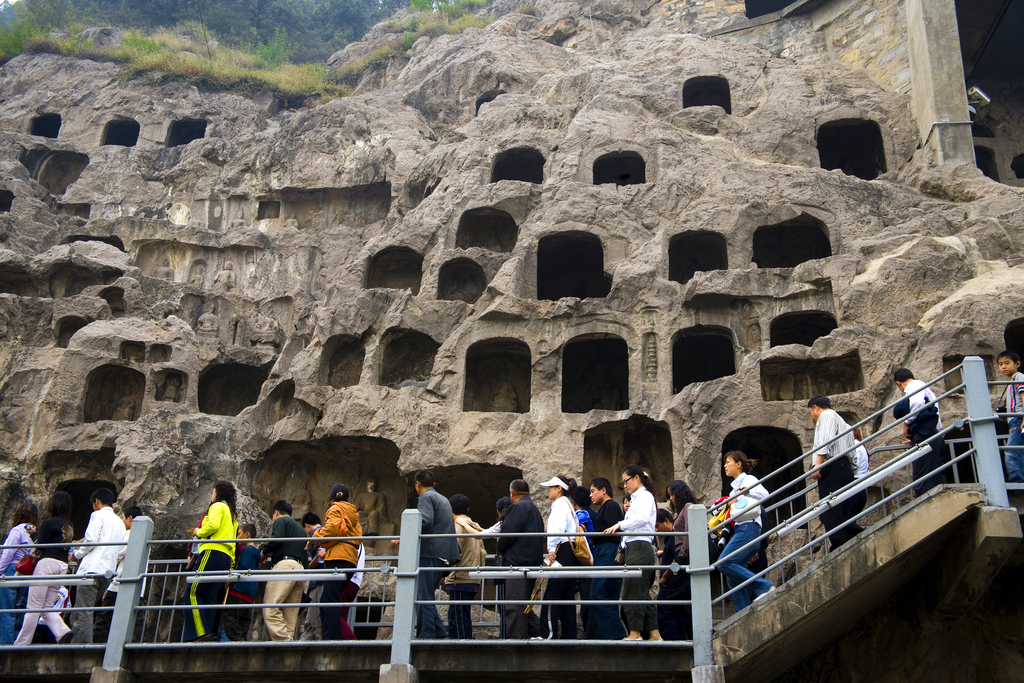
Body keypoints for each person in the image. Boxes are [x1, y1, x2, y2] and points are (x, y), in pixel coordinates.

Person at [393, 470, 459, 639]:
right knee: (424, 594)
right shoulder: (443, 499)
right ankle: (438, 631)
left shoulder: (426, 498)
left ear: (417, 484)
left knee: (423, 596)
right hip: (443, 554)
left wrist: (406, 533)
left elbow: (425, 521)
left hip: (430, 553)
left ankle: (426, 635)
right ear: (434, 484)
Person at [604, 465, 661, 641]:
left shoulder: (644, 496)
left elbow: (642, 519)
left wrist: (620, 524)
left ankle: (635, 633)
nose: (625, 485)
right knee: (641, 591)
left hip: (640, 546)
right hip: (635, 546)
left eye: (626, 481)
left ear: (637, 478)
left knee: (632, 590)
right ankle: (654, 633)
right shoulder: (638, 498)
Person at [717, 452, 774, 612]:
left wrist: (747, 492)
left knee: (724, 563)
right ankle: (743, 612)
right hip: (741, 528)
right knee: (732, 579)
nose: (725, 466)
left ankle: (763, 586)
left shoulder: (748, 479)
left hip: (749, 527)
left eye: (728, 462)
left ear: (739, 464)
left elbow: (764, 494)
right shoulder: (733, 486)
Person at [14, 492, 74, 645]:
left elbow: (39, 546)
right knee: (46, 607)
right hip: (62, 567)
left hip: (47, 564)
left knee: (33, 607)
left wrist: (33, 535)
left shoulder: (50, 522)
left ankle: (21, 643)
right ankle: (63, 632)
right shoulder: (69, 526)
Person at [184, 480, 238, 642]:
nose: (211, 495)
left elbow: (212, 525)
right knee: (210, 596)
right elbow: (234, 541)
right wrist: (232, 566)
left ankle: (199, 633)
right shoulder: (232, 514)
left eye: (213, 491)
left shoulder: (218, 506)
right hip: (226, 558)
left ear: (218, 493)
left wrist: (198, 531)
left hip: (212, 551)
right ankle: (210, 633)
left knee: (193, 591)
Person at [807, 395, 863, 550]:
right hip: (844, 466)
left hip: (832, 466)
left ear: (816, 408)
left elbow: (826, 440)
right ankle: (850, 534)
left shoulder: (826, 416)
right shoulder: (842, 421)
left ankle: (840, 542)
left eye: (811, 412)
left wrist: (817, 464)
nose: (812, 416)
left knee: (829, 508)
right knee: (841, 506)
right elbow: (851, 449)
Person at [70, 488, 123, 643]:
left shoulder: (97, 515)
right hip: (107, 572)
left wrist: (77, 554)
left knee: (83, 611)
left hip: (91, 570)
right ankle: (80, 643)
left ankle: (82, 647)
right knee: (88, 609)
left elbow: (91, 539)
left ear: (97, 501)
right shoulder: (119, 522)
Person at [496, 479, 544, 639]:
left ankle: (516, 644)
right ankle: (542, 634)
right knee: (523, 607)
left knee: (514, 607)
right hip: (532, 564)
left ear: (512, 493)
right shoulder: (534, 509)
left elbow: (507, 535)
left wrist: (500, 550)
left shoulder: (518, 507)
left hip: (518, 565)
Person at [313, 484, 362, 641]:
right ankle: (331, 637)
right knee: (330, 598)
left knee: (329, 599)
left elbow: (331, 529)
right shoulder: (353, 514)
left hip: (338, 558)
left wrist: (316, 536)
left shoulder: (335, 509)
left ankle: (331, 638)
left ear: (332, 497)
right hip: (350, 559)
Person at [538, 475, 582, 640]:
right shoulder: (569, 504)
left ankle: (548, 634)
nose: (548, 491)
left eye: (551, 487)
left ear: (559, 488)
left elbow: (556, 526)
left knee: (552, 595)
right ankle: (569, 635)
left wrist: (550, 549)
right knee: (566, 596)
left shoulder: (559, 503)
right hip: (570, 552)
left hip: (562, 550)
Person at [893, 368, 947, 496]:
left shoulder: (914, 385)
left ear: (898, 383)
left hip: (928, 436)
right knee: (934, 476)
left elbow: (917, 403)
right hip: (933, 435)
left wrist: (907, 423)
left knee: (922, 478)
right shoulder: (924, 388)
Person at [584, 477, 626, 640]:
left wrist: (592, 536)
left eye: (593, 491)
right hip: (607, 550)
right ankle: (605, 635)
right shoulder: (606, 507)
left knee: (597, 592)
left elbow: (608, 530)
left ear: (604, 490)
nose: (591, 495)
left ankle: (616, 633)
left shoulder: (610, 506)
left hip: (607, 550)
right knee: (608, 593)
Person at [93, 505, 143, 644]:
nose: (122, 521)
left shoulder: (129, 534)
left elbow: (117, 554)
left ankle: (99, 650)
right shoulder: (145, 536)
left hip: (119, 585)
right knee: (124, 622)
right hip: (136, 588)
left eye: (123, 518)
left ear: (130, 518)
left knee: (104, 618)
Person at [262, 500, 307, 641]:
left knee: (270, 609)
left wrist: (264, 552)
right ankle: (288, 651)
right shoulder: (301, 530)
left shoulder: (281, 520)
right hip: (300, 570)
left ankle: (284, 643)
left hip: (285, 565)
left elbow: (276, 540)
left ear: (276, 512)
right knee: (289, 615)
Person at [443, 494, 485, 640]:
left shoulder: (458, 525)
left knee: (459, 617)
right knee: (457, 614)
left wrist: (444, 573)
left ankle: (463, 644)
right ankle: (458, 641)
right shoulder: (473, 525)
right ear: (467, 508)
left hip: (459, 578)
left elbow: (453, 552)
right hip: (472, 577)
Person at [662, 480, 696, 639]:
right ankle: (691, 633)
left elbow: (689, 534)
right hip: (681, 556)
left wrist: (682, 554)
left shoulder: (688, 507)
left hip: (684, 557)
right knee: (678, 598)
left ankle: (694, 631)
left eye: (672, 494)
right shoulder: (681, 511)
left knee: (675, 597)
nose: (671, 499)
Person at [1, 503, 38, 644]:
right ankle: (15, 640)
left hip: (12, 570)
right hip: (25, 573)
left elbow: (8, 553)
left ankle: (5, 644)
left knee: (5, 610)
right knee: (17, 609)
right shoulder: (34, 533)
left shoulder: (17, 530)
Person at [221, 523, 260, 642]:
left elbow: (243, 567)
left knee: (229, 619)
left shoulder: (247, 550)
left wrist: (231, 580)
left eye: (239, 534)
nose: (237, 538)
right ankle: (242, 647)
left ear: (247, 535)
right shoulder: (257, 552)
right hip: (249, 595)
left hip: (238, 591)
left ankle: (239, 642)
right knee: (243, 625)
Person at [654, 508, 682, 640]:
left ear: (667, 521)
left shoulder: (675, 537)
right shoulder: (671, 538)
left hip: (669, 583)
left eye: (658, 526)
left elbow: (677, 559)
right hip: (669, 583)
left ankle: (672, 642)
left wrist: (665, 576)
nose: (657, 530)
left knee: (666, 615)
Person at [997, 351, 1024, 482]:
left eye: (1007, 363)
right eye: (1000, 364)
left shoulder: (1018, 377)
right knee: (1019, 450)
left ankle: (1017, 481)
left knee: (1011, 451)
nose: (1003, 367)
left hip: (1019, 419)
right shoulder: (1011, 380)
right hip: (1015, 420)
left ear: (1017, 364)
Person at [571, 486, 595, 634]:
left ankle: (588, 634)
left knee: (583, 601)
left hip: (581, 562)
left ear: (574, 502)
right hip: (592, 562)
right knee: (588, 600)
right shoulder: (595, 515)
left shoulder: (581, 516)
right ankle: (590, 633)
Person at [299, 512, 324, 641]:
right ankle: (301, 647)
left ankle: (322, 647)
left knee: (316, 619)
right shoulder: (323, 531)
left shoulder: (317, 533)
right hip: (317, 581)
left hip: (319, 581)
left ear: (307, 526)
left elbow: (321, 556)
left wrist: (308, 567)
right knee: (309, 623)